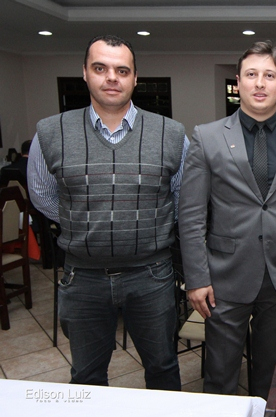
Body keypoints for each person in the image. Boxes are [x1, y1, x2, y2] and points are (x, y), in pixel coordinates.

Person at [27, 35, 187, 390]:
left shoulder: (172, 134)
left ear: (135, 78)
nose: (112, 77)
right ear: (85, 73)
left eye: (122, 70)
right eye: (100, 68)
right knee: (87, 376)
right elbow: (42, 195)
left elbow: (180, 197)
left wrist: (147, 224)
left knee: (163, 369)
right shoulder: (50, 132)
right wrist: (83, 220)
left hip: (151, 276)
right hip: (83, 277)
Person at [178, 40, 276, 399]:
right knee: (219, 374)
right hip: (224, 278)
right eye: (251, 74)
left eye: (269, 75)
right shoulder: (207, 136)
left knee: (273, 378)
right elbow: (191, 215)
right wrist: (196, 278)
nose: (260, 83)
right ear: (237, 82)